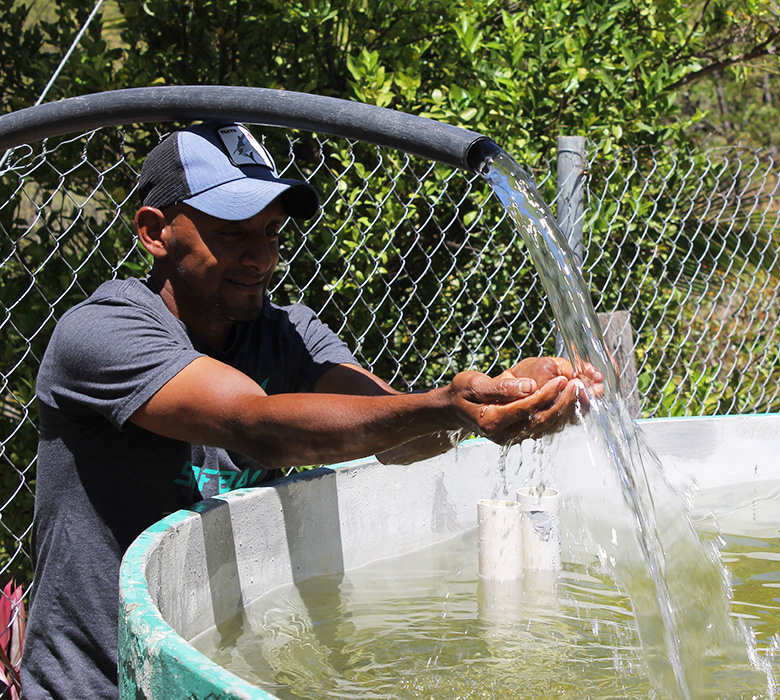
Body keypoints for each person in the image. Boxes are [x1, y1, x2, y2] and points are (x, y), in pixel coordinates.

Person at [20, 122, 600, 700]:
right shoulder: (103, 332)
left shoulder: (291, 334)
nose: (261, 257)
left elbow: (396, 429)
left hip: (204, 678)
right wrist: (445, 407)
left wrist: (505, 397)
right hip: (96, 685)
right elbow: (257, 426)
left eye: (272, 232)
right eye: (233, 234)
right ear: (155, 231)